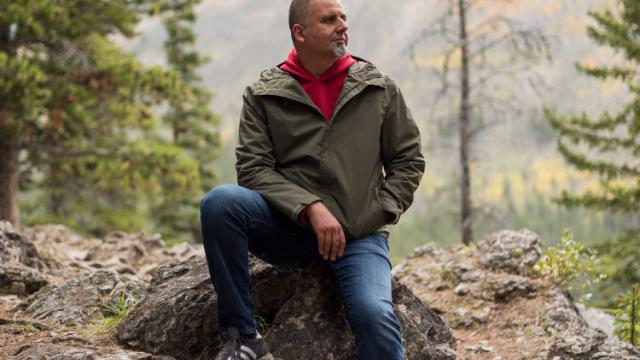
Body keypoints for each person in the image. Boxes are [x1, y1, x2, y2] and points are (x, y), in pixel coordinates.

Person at [200, 0, 425, 359]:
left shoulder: (378, 88)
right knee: (220, 204)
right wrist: (309, 208)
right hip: (288, 230)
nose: (342, 26)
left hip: (357, 236)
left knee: (374, 315)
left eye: (343, 18)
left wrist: (379, 211)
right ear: (299, 33)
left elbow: (408, 159)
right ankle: (244, 338)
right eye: (329, 19)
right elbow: (254, 168)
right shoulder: (264, 93)